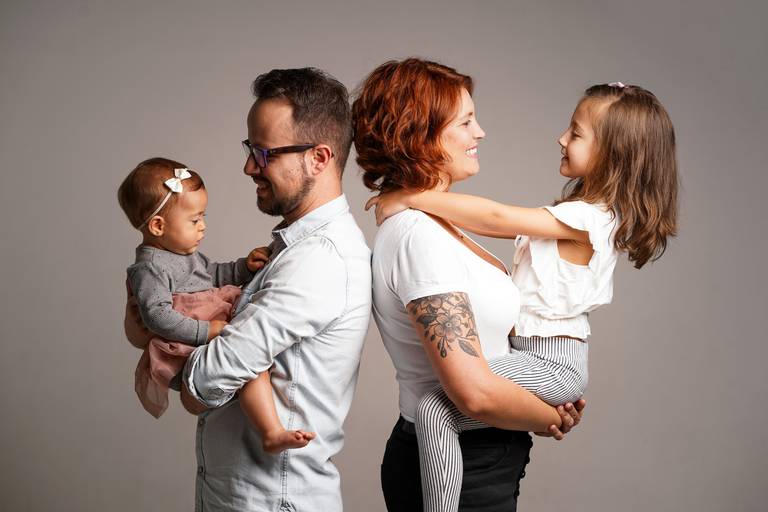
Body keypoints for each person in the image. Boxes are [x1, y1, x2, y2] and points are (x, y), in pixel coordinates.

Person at [366, 81, 679, 511]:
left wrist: (411, 197)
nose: (561, 139)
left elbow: (496, 218)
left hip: (553, 361)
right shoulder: (582, 216)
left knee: (436, 409)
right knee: (438, 407)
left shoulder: (592, 218)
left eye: (576, 133)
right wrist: (547, 416)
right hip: (537, 359)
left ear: (613, 153)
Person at [353, 58, 585, 512]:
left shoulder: (435, 224)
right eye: (465, 122)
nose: (480, 132)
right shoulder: (418, 237)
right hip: (457, 461)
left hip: (479, 453)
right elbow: (472, 393)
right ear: (419, 134)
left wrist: (542, 398)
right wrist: (549, 416)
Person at [167, 68, 369, 511]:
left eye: (263, 153)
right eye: (249, 149)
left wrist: (184, 343)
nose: (248, 167)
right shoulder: (293, 249)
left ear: (319, 158)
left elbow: (204, 382)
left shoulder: (319, 260)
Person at [119, 158, 316, 453]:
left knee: (255, 363)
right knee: (252, 366)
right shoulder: (148, 268)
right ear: (158, 226)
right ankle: (271, 432)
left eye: (203, 217)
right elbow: (157, 316)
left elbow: (211, 275)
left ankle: (271, 426)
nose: (203, 226)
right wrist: (206, 331)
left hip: (208, 323)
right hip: (183, 342)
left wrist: (243, 267)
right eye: (194, 220)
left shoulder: (184, 254)